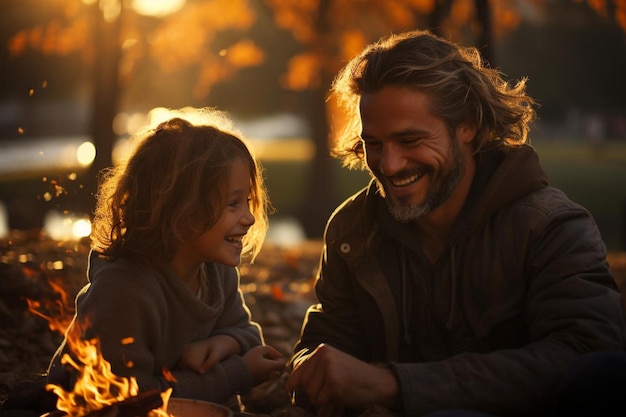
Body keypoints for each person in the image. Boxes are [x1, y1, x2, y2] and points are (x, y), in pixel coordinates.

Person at [285, 30, 626, 417]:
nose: (389, 165)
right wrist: (310, 369)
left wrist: (392, 385)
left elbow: (588, 355)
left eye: (410, 140)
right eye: (374, 144)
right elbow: (329, 339)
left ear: (467, 125)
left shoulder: (551, 227)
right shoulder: (352, 228)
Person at [46, 109, 286, 410]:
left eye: (247, 202)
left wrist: (222, 343)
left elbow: (248, 333)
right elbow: (126, 399)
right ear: (180, 210)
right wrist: (235, 374)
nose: (249, 218)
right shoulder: (125, 291)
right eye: (233, 204)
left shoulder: (214, 271)